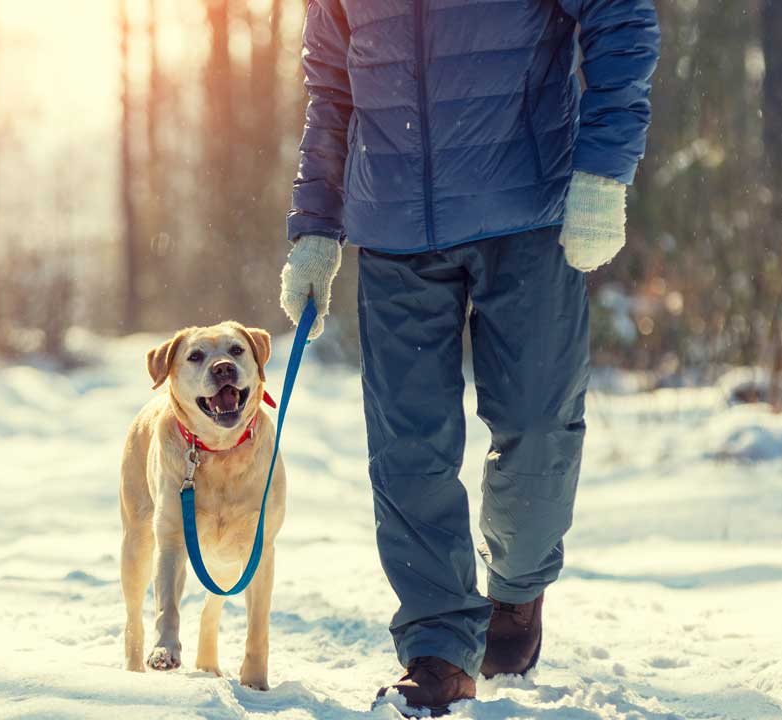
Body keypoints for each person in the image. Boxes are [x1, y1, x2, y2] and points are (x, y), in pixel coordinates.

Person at [278, 0, 660, 714]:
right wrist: (316, 225)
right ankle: (438, 647)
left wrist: (604, 172)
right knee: (407, 447)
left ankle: (516, 588)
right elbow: (331, 88)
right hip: (391, 225)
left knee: (539, 424)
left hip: (528, 214)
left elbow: (621, 19)